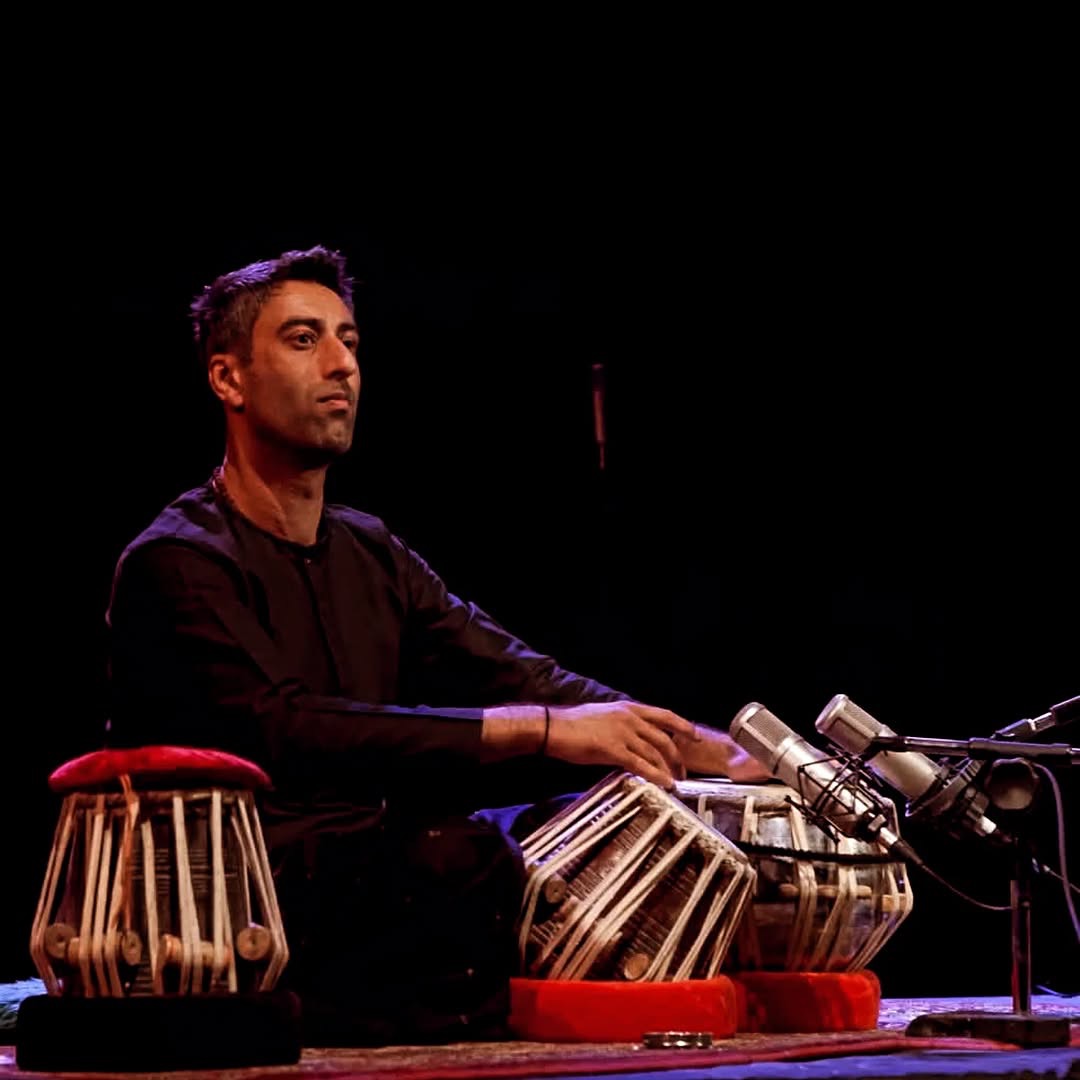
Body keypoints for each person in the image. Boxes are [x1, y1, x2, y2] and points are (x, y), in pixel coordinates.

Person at [105, 244, 767, 1044]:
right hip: (239, 898)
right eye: (304, 339)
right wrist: (539, 731)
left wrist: (708, 752)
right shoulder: (176, 561)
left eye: (350, 341)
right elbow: (287, 728)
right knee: (453, 856)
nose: (343, 365)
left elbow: (513, 666)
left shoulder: (370, 552)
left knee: (610, 816)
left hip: (373, 873)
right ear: (228, 379)